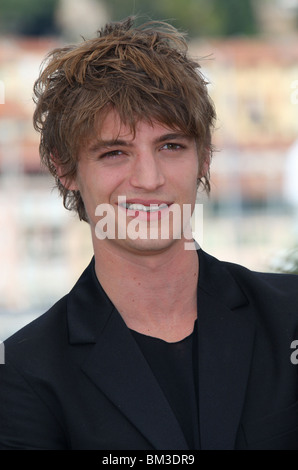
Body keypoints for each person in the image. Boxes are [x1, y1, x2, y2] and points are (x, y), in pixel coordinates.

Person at [0, 17, 298, 451]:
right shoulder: (26, 373)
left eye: (171, 146)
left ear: (205, 158)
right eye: (114, 152)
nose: (148, 178)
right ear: (65, 169)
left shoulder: (290, 320)